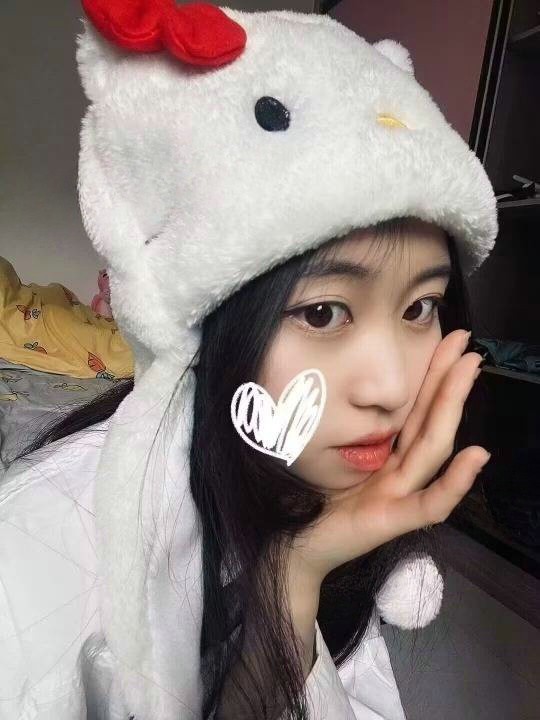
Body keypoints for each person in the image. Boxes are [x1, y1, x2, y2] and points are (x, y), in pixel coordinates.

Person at [0, 2, 497, 719]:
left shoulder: (326, 483)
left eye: (421, 307)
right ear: (208, 323)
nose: (393, 388)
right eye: (323, 313)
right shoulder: (41, 549)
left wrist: (295, 577)